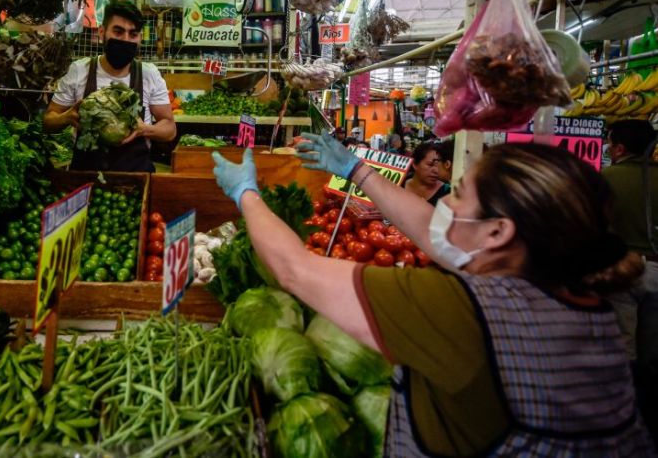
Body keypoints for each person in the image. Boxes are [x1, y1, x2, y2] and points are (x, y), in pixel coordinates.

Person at [211, 135, 654, 456]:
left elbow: (295, 270)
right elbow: (433, 232)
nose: (447, 205)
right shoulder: (573, 295)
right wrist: (357, 170)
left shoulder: (465, 313)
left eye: (459, 195)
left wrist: (247, 194)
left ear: (499, 232)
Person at [44, 0, 175, 171]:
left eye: (133, 34)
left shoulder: (149, 74)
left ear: (139, 38)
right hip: (86, 177)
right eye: (118, 31)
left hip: (136, 177)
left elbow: (170, 129)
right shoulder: (79, 70)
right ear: (102, 32)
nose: (126, 40)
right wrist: (66, 117)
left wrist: (144, 129)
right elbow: (48, 122)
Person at [603, 119, 658, 439]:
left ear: (619, 148)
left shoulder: (607, 178)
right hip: (656, 269)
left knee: (623, 348)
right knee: (653, 349)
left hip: (620, 271)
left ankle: (623, 413)